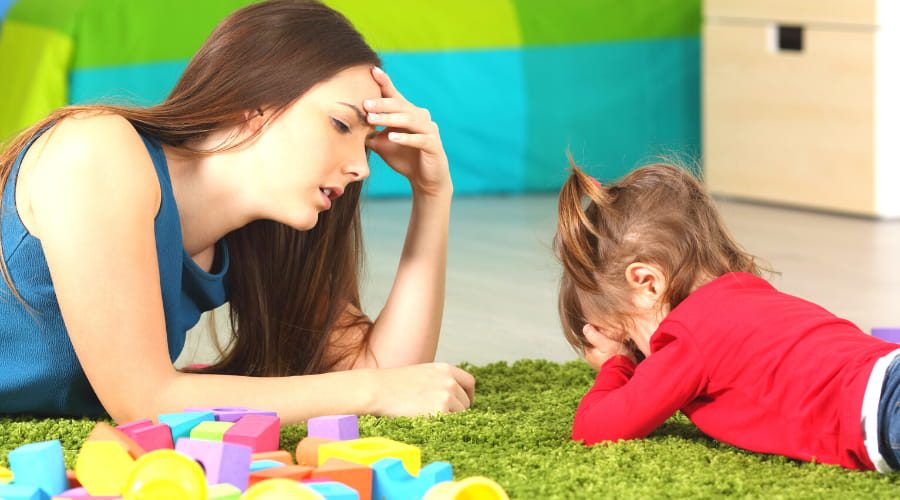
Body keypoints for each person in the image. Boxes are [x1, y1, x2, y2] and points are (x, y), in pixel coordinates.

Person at [0, 0, 474, 424]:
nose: (360, 169)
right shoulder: (94, 149)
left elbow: (388, 373)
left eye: (366, 145)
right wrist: (372, 391)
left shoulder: (257, 235)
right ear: (253, 107)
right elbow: (143, 400)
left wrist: (432, 194)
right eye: (340, 124)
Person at [554, 162, 900, 471]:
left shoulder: (686, 337)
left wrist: (616, 364)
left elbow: (593, 429)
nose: (644, 361)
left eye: (630, 340)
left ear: (648, 283)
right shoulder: (750, 293)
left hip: (884, 409)